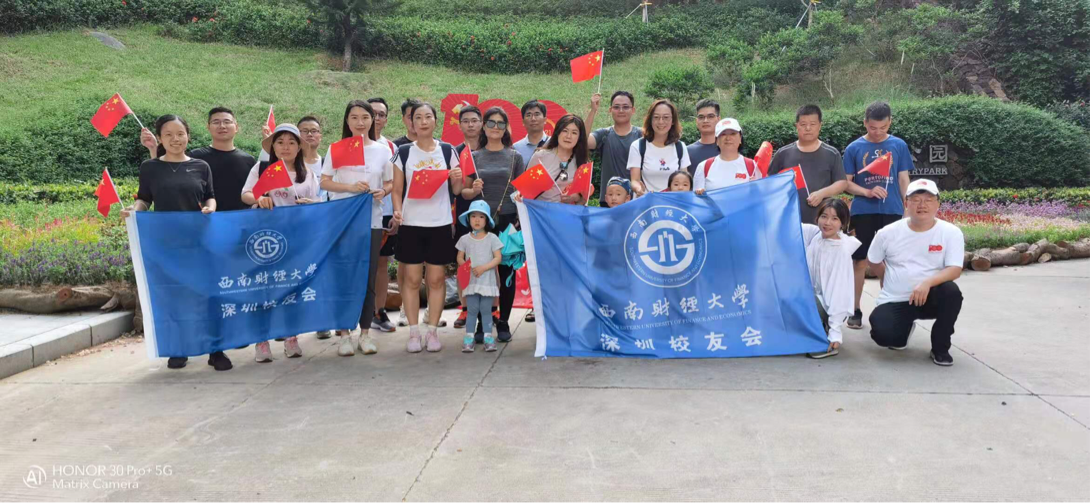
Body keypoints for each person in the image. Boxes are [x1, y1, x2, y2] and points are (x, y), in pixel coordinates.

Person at [125, 115, 226, 371]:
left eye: (180, 134)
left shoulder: (201, 166)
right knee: (175, 297)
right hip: (167, 245)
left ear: (188, 136)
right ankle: (179, 349)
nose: (175, 139)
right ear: (160, 138)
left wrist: (210, 208)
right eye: (168, 134)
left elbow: (210, 196)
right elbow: (144, 199)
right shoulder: (150, 167)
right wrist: (134, 211)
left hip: (199, 243)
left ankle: (216, 350)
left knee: (207, 295)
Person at [241, 123, 321, 362]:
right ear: (273, 147)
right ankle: (262, 341)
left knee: (291, 288)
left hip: (297, 238)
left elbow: (318, 201)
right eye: (280, 142)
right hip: (266, 239)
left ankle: (291, 337)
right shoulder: (262, 168)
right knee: (264, 289)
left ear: (299, 147)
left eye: (291, 142)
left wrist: (311, 204)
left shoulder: (308, 173)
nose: (286, 147)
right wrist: (260, 198)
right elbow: (246, 194)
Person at [319, 100, 394, 357]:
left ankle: (365, 333)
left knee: (368, 277)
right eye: (354, 117)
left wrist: (383, 191)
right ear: (347, 121)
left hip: (371, 220)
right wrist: (350, 188)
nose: (360, 122)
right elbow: (325, 182)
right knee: (344, 276)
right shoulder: (337, 148)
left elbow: (390, 182)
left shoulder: (382, 150)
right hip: (343, 221)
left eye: (365, 117)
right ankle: (344, 334)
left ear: (373, 120)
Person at [392, 102, 464, 353]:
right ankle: (414, 332)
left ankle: (432, 331)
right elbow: (397, 189)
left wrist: (457, 179)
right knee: (412, 280)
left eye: (428, 117)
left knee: (436, 279)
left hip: (439, 224)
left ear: (435, 120)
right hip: (411, 224)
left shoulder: (447, 150)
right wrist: (398, 211)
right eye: (418, 117)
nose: (423, 122)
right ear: (411, 122)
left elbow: (456, 190)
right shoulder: (403, 152)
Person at [867, 179, 964, 366]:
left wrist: (927, 283)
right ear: (906, 203)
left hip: (930, 297)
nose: (922, 205)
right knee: (883, 335)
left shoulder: (950, 232)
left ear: (938, 204)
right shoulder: (888, 233)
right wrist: (885, 277)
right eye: (916, 200)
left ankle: (940, 348)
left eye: (928, 200)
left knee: (951, 292)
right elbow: (873, 259)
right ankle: (903, 330)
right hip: (896, 298)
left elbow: (954, 269)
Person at [842, 101, 914, 330]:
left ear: (890, 122)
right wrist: (867, 191)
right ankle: (855, 309)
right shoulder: (854, 148)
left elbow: (903, 178)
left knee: (889, 262)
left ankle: (887, 308)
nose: (878, 132)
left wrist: (907, 207)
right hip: (862, 211)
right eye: (873, 128)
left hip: (891, 210)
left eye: (883, 127)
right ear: (865, 123)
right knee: (859, 260)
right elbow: (846, 183)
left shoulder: (898, 145)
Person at [462, 106, 525, 342]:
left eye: (500, 123)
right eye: (491, 122)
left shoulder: (515, 156)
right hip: (481, 222)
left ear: (506, 128)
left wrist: (521, 202)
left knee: (506, 273)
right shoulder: (474, 156)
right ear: (484, 126)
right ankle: (482, 322)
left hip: (508, 220)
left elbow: (522, 189)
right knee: (481, 274)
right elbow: (464, 193)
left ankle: (504, 322)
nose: (495, 127)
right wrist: (473, 189)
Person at [140, 107, 255, 212]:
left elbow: (255, 194)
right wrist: (153, 149)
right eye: (216, 122)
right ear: (208, 127)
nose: (222, 126)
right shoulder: (196, 157)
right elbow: (164, 175)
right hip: (203, 220)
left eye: (227, 122)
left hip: (239, 222)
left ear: (236, 127)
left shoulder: (249, 160)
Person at [800, 198, 860, 359]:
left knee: (801, 297)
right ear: (817, 218)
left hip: (830, 306)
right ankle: (816, 327)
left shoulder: (840, 251)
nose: (827, 223)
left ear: (843, 223)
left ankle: (825, 336)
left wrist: (835, 332)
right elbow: (790, 225)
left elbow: (839, 294)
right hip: (815, 299)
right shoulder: (816, 237)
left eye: (835, 218)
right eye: (824, 216)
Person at [768, 104, 848, 223]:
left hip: (821, 221)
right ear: (797, 126)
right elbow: (769, 182)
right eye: (803, 124)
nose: (808, 128)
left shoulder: (831, 153)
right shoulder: (783, 153)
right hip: (789, 219)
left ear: (820, 125)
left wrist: (822, 193)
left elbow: (842, 183)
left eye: (813, 124)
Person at [367, 97, 400, 333]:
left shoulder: (391, 147)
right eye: (372, 113)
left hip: (384, 213)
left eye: (381, 114)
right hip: (355, 215)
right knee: (356, 265)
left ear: (386, 120)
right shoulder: (346, 146)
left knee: (381, 264)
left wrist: (396, 213)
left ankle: (378, 312)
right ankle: (352, 314)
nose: (376, 118)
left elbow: (396, 184)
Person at [455, 200, 504, 353]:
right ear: (468, 219)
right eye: (473, 216)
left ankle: (488, 337)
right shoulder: (464, 239)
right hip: (471, 282)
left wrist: (484, 268)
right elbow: (459, 257)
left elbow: (498, 258)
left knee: (486, 310)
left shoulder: (492, 238)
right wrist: (467, 266)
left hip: (487, 282)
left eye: (481, 217)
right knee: (472, 309)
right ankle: (469, 337)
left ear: (487, 220)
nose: (477, 220)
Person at [452, 105, 485, 331]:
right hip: (464, 212)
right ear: (460, 125)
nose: (471, 125)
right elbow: (454, 189)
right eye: (466, 121)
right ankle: (465, 307)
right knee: (464, 261)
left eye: (474, 120)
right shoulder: (455, 153)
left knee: (492, 260)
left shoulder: (491, 148)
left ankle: (492, 307)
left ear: (481, 123)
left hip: (490, 212)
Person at [585, 91, 643, 202]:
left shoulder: (642, 135)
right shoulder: (604, 134)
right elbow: (583, 141)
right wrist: (593, 111)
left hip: (636, 199)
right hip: (609, 201)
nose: (621, 111)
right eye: (616, 107)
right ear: (610, 110)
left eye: (625, 107)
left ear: (633, 110)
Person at [627, 99, 690, 195]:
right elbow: (634, 180)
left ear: (673, 121)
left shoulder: (680, 147)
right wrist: (639, 189)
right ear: (650, 120)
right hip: (647, 201)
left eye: (666, 117)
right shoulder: (638, 146)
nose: (661, 122)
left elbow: (684, 179)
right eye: (656, 117)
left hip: (672, 202)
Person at [523, 114, 590, 204]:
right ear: (558, 132)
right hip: (541, 211)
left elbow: (584, 201)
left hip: (567, 212)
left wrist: (576, 197)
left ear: (579, 138)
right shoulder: (540, 156)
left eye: (574, 133)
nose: (568, 136)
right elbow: (526, 191)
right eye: (565, 131)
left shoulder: (583, 164)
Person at [693, 118, 761, 194]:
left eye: (733, 133)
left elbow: (760, 196)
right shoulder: (704, 167)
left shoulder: (753, 166)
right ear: (717, 140)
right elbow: (697, 198)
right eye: (723, 134)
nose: (728, 138)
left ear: (740, 138)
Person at [687, 99, 721, 171]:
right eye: (701, 117)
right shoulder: (687, 152)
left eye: (710, 116)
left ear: (718, 119)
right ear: (697, 121)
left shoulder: (727, 149)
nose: (705, 121)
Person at [513, 100, 549, 166]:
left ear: (545, 120)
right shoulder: (516, 148)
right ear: (523, 122)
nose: (533, 119)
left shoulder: (553, 143)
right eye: (528, 115)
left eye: (537, 114)